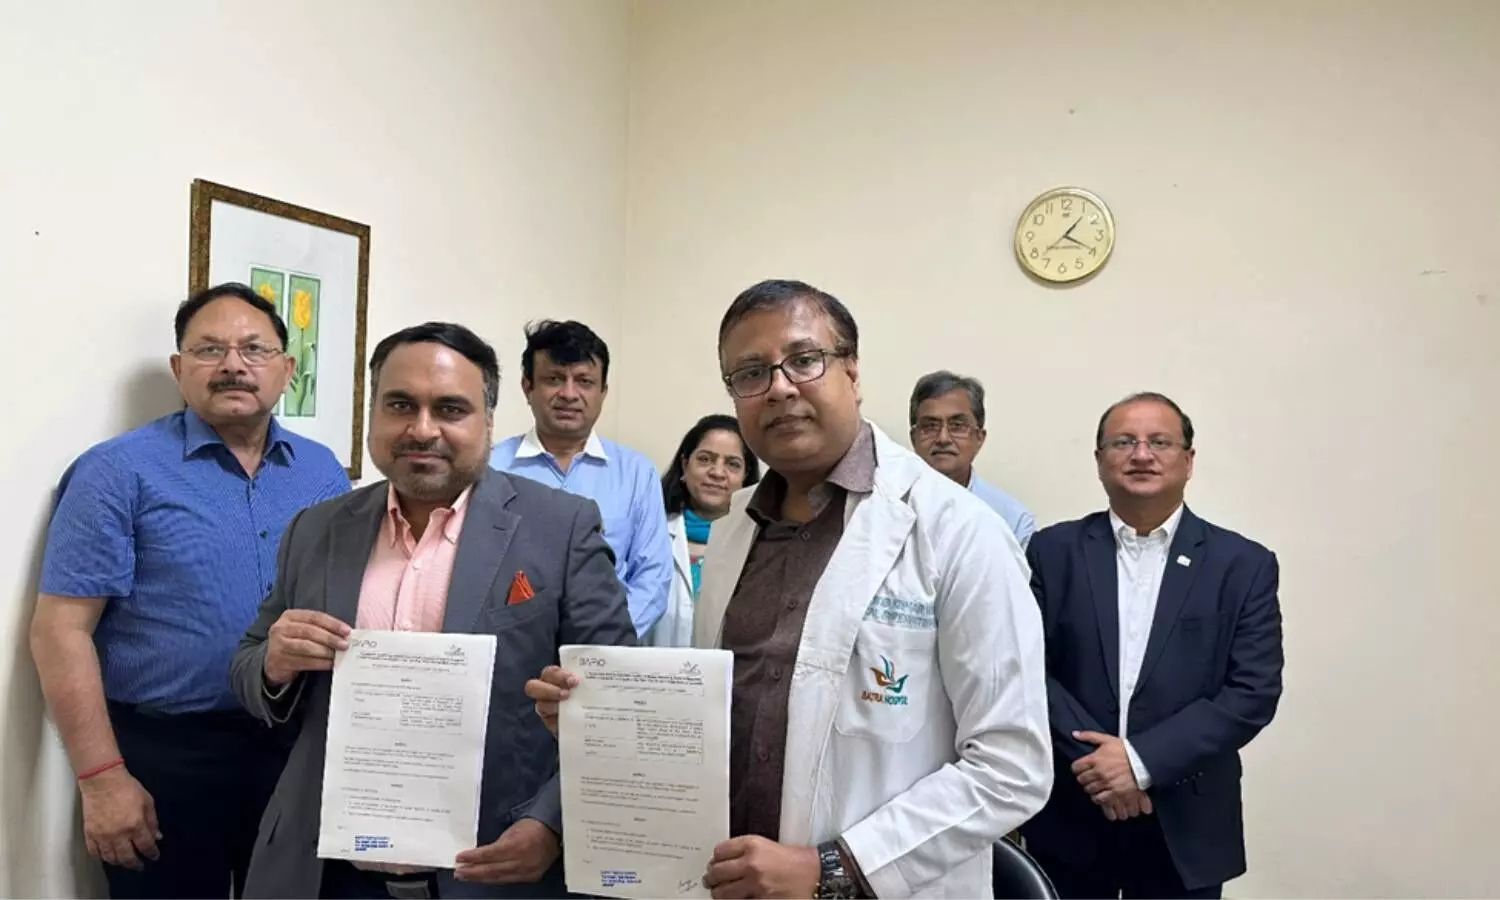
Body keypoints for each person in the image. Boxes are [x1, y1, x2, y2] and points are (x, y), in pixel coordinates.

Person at [529, 279, 1052, 899]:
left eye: (804, 360)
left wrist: (833, 869)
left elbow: (1011, 766)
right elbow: (718, 726)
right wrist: (603, 724)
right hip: (725, 881)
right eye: (750, 373)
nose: (778, 387)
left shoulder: (959, 532)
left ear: (852, 372)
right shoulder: (733, 532)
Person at [230, 322, 636, 899]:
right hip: (327, 870)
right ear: (373, 414)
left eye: (450, 409)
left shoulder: (561, 528)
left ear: (487, 421)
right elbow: (247, 665)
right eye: (400, 405)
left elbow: (617, 704)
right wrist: (274, 663)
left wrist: (552, 825)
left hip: (490, 868)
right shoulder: (316, 529)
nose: (423, 429)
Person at [29, 283, 351, 899]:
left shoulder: (323, 471)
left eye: (254, 349)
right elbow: (59, 630)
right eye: (209, 349)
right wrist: (102, 779)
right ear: (179, 369)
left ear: (287, 369)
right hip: (165, 758)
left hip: (293, 745)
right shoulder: (116, 471)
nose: (233, 365)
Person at [1020, 392, 1284, 899]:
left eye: (1159, 442)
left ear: (1188, 460)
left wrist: (1140, 762)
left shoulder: (1243, 565)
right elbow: (1025, 667)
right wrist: (1100, 768)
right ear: (1099, 459)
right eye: (1124, 442)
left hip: (1187, 821)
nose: (1142, 455)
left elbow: (1252, 692)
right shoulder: (1052, 552)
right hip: (1072, 813)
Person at [489, 319, 672, 638]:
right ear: (527, 387)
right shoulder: (491, 467)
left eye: (584, 381)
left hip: (604, 649)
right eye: (554, 379)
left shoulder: (636, 473)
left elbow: (653, 579)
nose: (569, 394)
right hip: (508, 647)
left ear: (603, 392)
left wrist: (603, 642)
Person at [646, 413, 761, 647]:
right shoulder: (648, 534)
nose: (717, 473)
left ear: (745, 477)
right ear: (684, 466)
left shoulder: (760, 544)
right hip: (652, 668)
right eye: (705, 459)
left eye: (732, 464)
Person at [908, 370, 1035, 548]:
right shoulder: (887, 506)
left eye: (957, 426)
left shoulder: (1012, 520)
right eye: (930, 426)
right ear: (914, 437)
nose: (943, 438)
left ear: (979, 438)